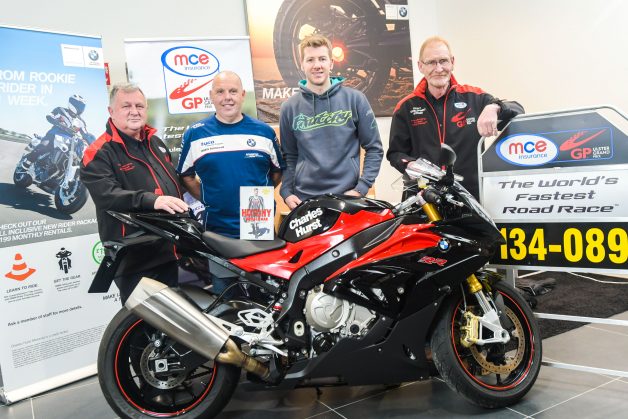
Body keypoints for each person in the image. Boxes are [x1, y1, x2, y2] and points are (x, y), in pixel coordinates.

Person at [80, 83, 188, 304]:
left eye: (139, 105)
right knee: (141, 329)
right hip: (135, 257)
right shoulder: (98, 152)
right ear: (111, 111)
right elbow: (107, 195)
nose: (134, 111)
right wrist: (153, 200)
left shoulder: (155, 142)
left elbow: (172, 184)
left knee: (173, 326)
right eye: (126, 106)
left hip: (168, 250)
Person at [387, 36, 524, 200]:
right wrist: (410, 164)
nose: (438, 69)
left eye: (443, 61)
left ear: (452, 62)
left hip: (469, 199)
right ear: (420, 66)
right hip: (423, 199)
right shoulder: (405, 107)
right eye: (431, 62)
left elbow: (518, 111)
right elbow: (395, 153)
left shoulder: (474, 98)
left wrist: (494, 107)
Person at [279, 34, 383, 210]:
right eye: (310, 59)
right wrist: (287, 192)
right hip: (306, 200)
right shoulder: (289, 107)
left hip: (348, 198)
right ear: (302, 64)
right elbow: (289, 155)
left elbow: (374, 148)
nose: (317, 65)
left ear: (331, 63)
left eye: (322, 59)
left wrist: (362, 187)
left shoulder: (355, 99)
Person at [177, 70, 285, 238]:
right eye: (220, 91)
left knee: (260, 264)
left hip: (258, 224)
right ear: (211, 96)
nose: (227, 97)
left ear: (242, 95)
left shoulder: (264, 132)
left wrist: (260, 193)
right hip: (216, 227)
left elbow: (278, 172)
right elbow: (186, 176)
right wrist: (209, 199)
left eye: (233, 91)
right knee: (221, 265)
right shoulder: (194, 134)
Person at [23, 94, 90, 169]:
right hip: (53, 135)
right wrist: (59, 123)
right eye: (79, 105)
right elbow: (50, 116)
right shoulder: (60, 110)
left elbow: (86, 134)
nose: (80, 108)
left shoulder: (81, 122)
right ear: (72, 104)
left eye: (82, 106)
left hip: (69, 142)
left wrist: (94, 143)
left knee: (79, 156)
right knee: (43, 146)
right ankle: (25, 166)